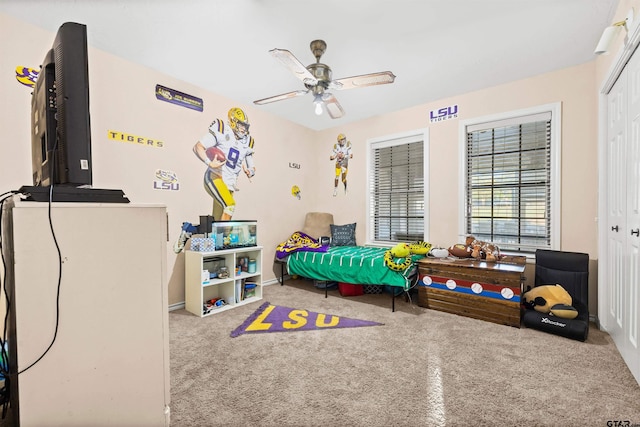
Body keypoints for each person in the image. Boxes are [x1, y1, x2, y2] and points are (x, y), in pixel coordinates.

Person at [193, 107, 256, 220]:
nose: (243, 129)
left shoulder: (248, 141)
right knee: (230, 206)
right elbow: (198, 147)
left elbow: (251, 166)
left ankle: (189, 230)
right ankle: (223, 238)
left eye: (244, 126)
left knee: (217, 223)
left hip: (230, 184)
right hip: (215, 177)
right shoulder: (222, 130)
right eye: (240, 125)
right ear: (232, 122)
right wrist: (209, 162)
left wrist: (250, 171)